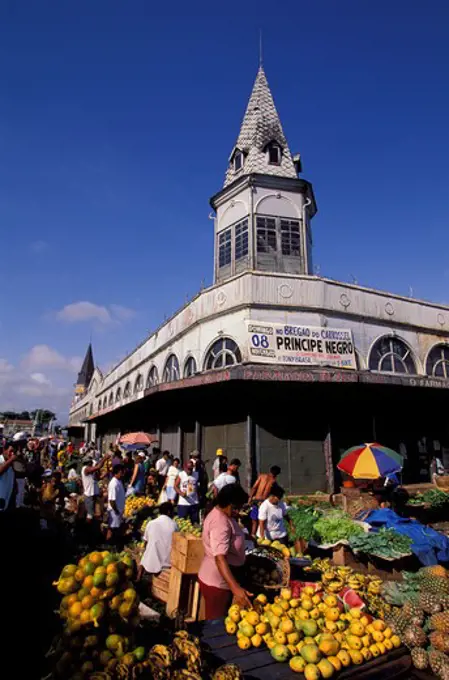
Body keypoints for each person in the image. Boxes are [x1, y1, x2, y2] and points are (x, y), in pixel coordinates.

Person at [198, 483, 252, 619]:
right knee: (217, 625)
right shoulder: (220, 523)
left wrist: (246, 537)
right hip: (218, 584)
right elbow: (220, 558)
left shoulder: (221, 513)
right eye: (235, 508)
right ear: (227, 503)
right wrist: (235, 589)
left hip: (217, 579)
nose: (237, 512)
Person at [137, 502, 178, 581]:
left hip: (149, 563)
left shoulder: (151, 523)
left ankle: (139, 579)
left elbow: (145, 543)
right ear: (169, 512)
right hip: (167, 563)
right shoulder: (174, 525)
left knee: (145, 553)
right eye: (173, 512)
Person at [249, 465, 281, 536]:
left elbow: (254, 487)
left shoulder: (261, 476)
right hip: (263, 502)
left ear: (270, 470)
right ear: (277, 474)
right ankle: (262, 536)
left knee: (254, 520)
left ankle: (253, 535)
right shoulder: (274, 482)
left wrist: (250, 498)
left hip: (256, 500)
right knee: (262, 520)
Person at [81, 451, 109, 521]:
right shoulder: (85, 469)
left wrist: (105, 474)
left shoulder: (89, 470)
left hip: (93, 495)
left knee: (94, 513)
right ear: (88, 462)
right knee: (90, 514)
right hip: (89, 495)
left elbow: (98, 478)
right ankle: (87, 528)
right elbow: (98, 467)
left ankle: (93, 526)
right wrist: (104, 458)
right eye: (91, 462)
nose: (92, 464)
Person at [107, 463, 126, 543]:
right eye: (121, 472)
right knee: (113, 528)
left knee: (114, 528)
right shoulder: (113, 484)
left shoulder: (119, 481)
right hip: (114, 511)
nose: (123, 474)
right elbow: (112, 500)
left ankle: (112, 543)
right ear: (116, 473)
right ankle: (111, 544)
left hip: (118, 510)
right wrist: (116, 510)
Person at [0, 445, 16, 511]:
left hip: (5, 502)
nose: (12, 454)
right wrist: (10, 460)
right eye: (10, 451)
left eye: (14, 452)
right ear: (4, 450)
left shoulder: (10, 464)